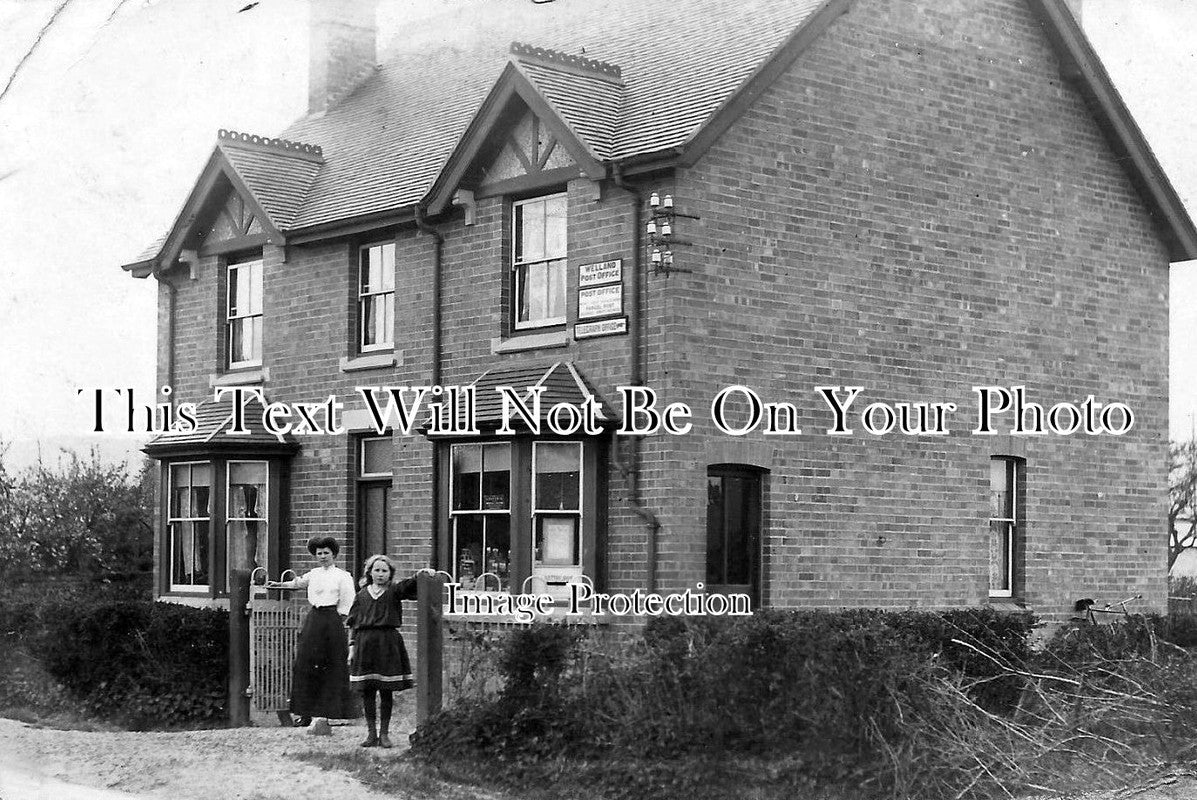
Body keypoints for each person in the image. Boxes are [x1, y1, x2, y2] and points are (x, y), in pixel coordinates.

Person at [267, 535, 357, 734]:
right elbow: (297, 583)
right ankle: (305, 713)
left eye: (326, 553)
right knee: (306, 664)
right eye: (319, 553)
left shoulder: (343, 576)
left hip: (332, 620)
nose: (323, 556)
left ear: (334, 555)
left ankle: (331, 714)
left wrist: (340, 619)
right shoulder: (314, 574)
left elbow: (348, 601)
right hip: (314, 619)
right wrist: (278, 585)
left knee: (332, 664)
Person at [346, 554, 418, 748]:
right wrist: (352, 647)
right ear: (370, 572)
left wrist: (421, 575)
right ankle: (371, 734)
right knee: (367, 690)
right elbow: (353, 622)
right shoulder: (361, 595)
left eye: (384, 571)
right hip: (365, 643)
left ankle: (384, 734)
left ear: (390, 574)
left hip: (388, 643)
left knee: (386, 690)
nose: (380, 574)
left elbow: (410, 586)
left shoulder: (394, 591)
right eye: (376, 570)